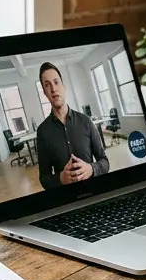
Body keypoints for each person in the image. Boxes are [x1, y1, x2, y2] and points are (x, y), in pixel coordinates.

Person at [34, 62, 109, 190]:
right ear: (45, 93)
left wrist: (91, 169)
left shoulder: (86, 121)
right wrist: (60, 179)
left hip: (94, 192)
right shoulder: (42, 132)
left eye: (56, 82)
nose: (53, 89)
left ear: (64, 86)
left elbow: (104, 162)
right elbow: (44, 178)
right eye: (47, 85)